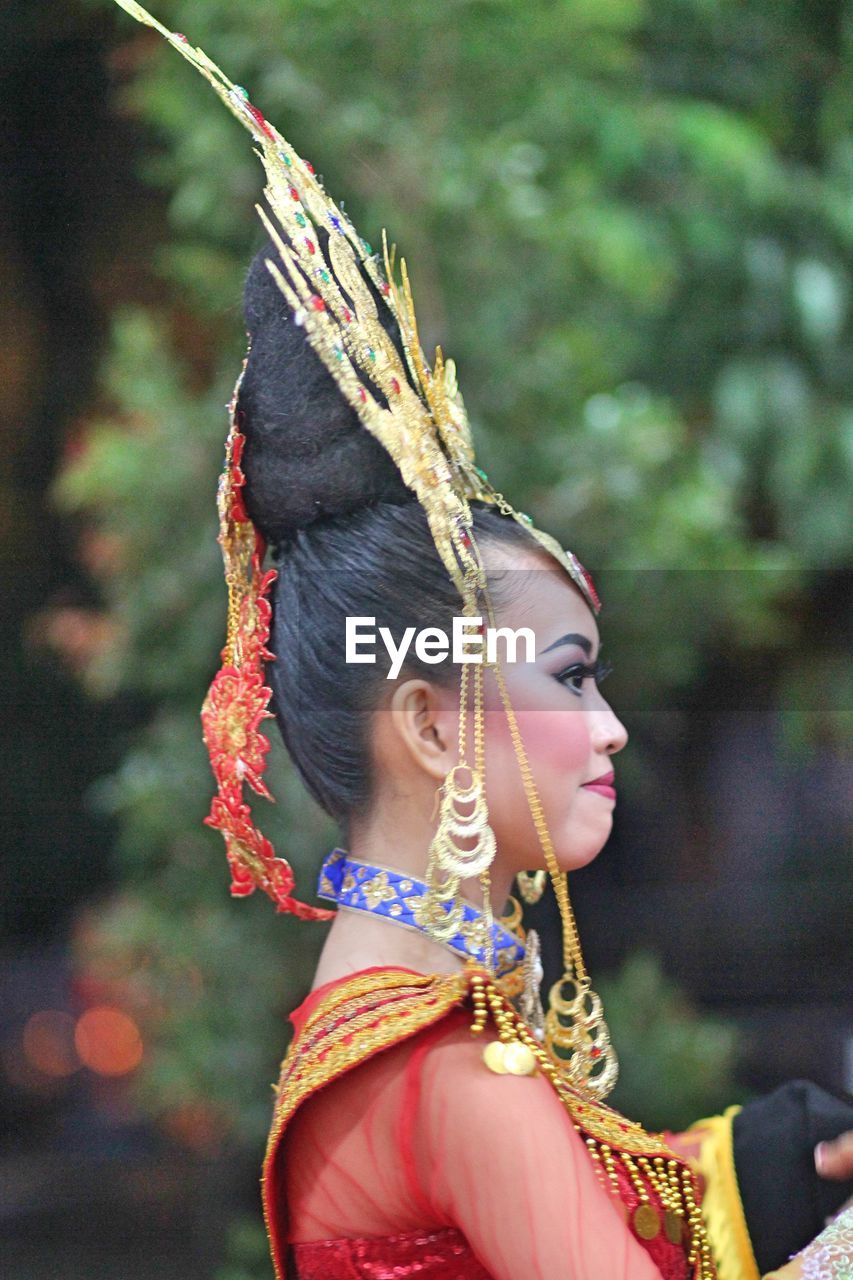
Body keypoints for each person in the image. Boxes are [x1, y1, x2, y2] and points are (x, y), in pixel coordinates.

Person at [112, 5, 853, 1277]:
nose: (611, 722)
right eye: (568, 675)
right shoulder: (456, 1075)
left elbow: (593, 1194)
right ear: (434, 718)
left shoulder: (388, 1024)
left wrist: (783, 1164)